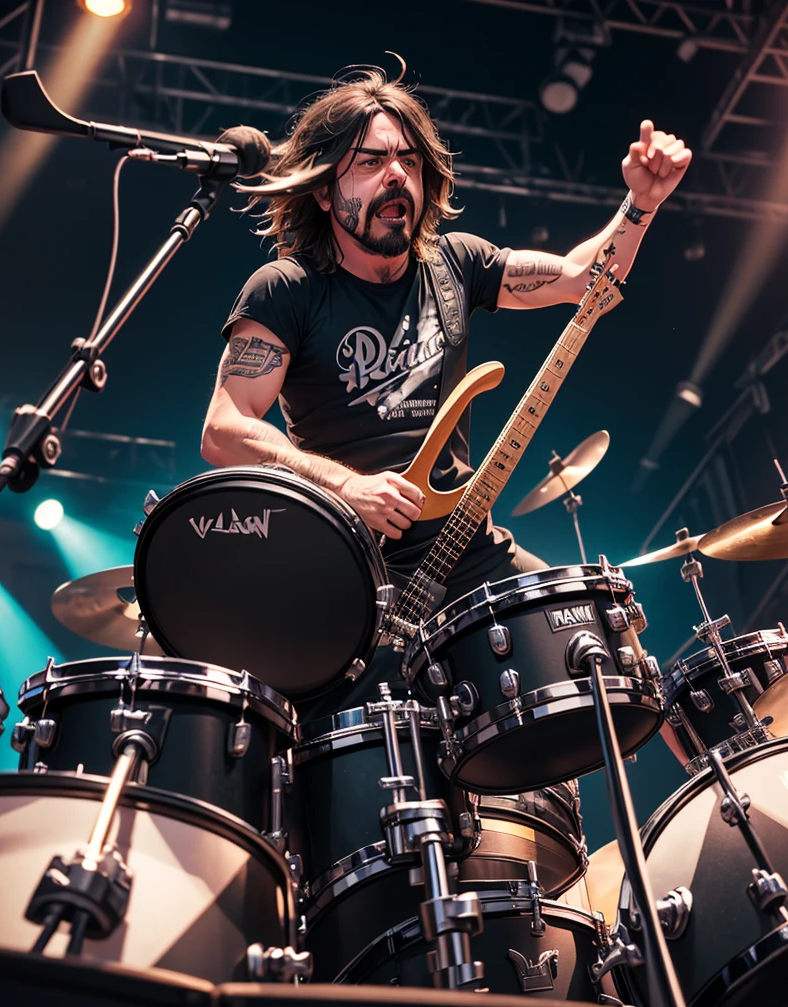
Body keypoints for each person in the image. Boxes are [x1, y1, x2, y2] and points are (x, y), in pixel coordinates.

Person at [201, 63, 691, 714]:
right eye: (371, 161)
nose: (396, 174)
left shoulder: (456, 264)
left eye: (407, 159)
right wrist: (347, 486)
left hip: (470, 546)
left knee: (606, 636)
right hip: (361, 573)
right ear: (325, 190)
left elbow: (584, 278)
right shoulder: (287, 289)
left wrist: (642, 205)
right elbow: (225, 429)